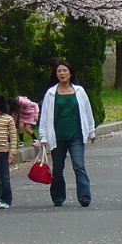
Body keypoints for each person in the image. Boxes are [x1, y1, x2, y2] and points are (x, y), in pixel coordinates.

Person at [39, 60, 96, 207]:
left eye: (65, 70)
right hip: (57, 137)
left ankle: (84, 196)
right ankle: (58, 196)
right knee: (58, 168)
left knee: (78, 165)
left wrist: (91, 131)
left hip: (76, 135)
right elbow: (44, 117)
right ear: (55, 74)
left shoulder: (79, 91)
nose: (62, 73)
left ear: (70, 73)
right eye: (59, 71)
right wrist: (43, 136)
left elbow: (87, 111)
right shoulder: (51, 93)